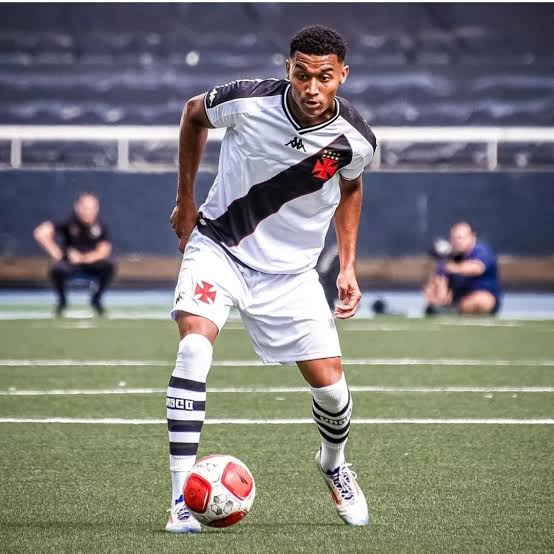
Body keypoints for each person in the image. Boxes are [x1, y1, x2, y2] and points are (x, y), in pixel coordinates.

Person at [166, 25, 376, 533]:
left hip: (291, 273)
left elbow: (351, 189)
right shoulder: (248, 101)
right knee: (194, 348)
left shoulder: (355, 140)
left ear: (342, 76)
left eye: (324, 77)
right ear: (288, 69)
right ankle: (179, 500)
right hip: (219, 247)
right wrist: (186, 199)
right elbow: (193, 114)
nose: (311, 87)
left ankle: (333, 465)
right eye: (302, 75)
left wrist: (348, 265)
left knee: (332, 390)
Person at [33, 191, 115, 316]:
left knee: (109, 266)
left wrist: (84, 258)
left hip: (91, 263)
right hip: (70, 264)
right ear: (77, 207)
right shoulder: (68, 221)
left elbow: (104, 250)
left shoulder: (101, 226)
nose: (88, 212)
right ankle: (62, 301)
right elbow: (40, 233)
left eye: (92, 208)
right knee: (56, 270)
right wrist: (59, 254)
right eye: (85, 208)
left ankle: (96, 299)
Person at [423, 221, 501, 315]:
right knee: (432, 287)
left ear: (472, 236)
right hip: (456, 296)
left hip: (480, 296)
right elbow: (440, 277)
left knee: (482, 300)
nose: (457, 241)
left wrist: (450, 267)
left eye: (460, 238)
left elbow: (477, 268)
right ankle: (441, 308)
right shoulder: (449, 255)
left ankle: (453, 310)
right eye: (453, 238)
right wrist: (440, 292)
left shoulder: (482, 250)